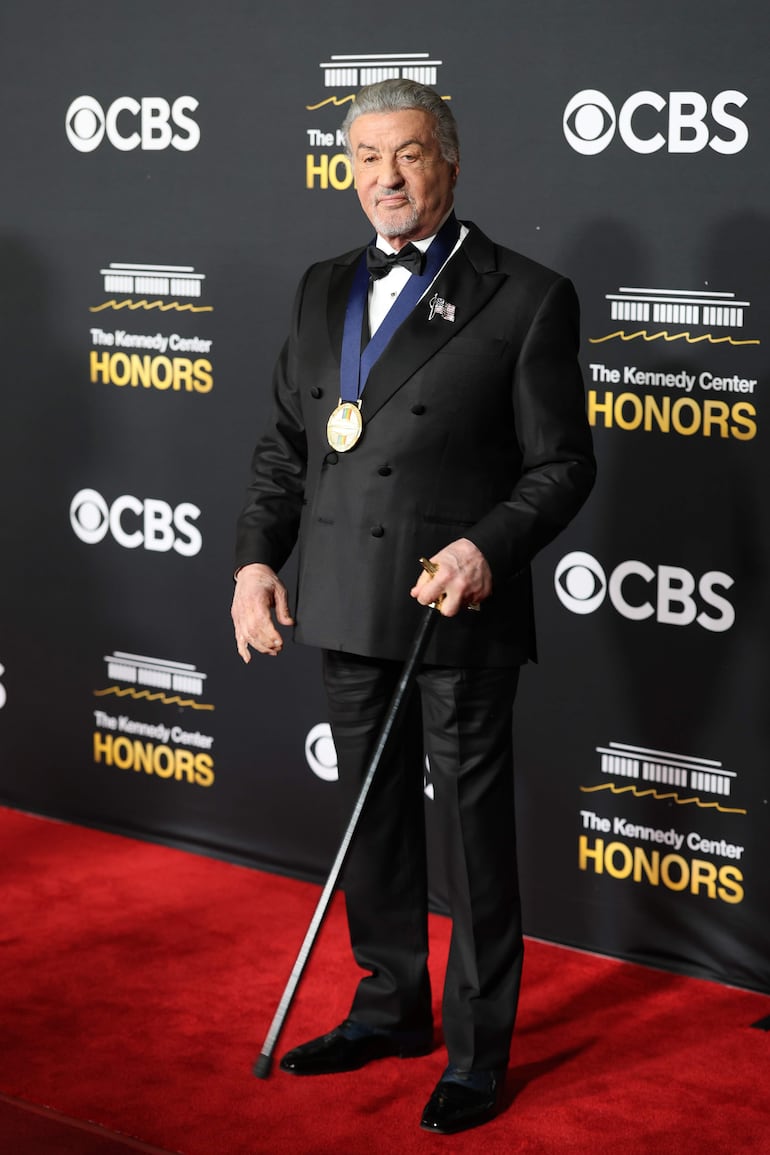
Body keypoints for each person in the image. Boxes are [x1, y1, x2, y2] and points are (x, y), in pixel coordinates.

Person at [231, 79, 595, 1135]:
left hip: (456, 608)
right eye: (363, 159)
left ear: (446, 160)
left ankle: (479, 1053)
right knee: (371, 825)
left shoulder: (524, 293)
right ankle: (391, 1006)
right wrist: (257, 562)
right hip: (342, 596)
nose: (382, 178)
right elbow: (286, 447)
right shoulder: (318, 287)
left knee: (473, 843)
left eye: (405, 155)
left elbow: (562, 465)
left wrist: (487, 547)